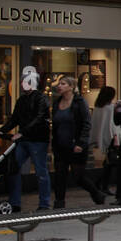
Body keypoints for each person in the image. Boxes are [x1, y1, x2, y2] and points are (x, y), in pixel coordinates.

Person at [0, 66, 52, 212]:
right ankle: (15, 202)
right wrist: (1, 131)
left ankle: (44, 204)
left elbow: (39, 118)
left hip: (37, 140)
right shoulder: (22, 100)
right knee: (14, 169)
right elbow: (14, 119)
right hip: (24, 140)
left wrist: (22, 132)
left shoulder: (41, 99)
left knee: (40, 171)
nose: (22, 84)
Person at [50, 75, 105, 208]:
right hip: (60, 145)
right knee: (60, 174)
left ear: (71, 87)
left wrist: (81, 143)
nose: (59, 86)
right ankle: (59, 202)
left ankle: (96, 193)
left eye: (63, 84)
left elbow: (87, 123)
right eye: (59, 84)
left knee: (78, 176)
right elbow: (55, 123)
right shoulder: (57, 103)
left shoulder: (79, 102)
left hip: (76, 145)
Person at [89, 86, 120, 199]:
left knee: (108, 162)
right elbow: (112, 125)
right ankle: (102, 184)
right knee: (110, 163)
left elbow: (98, 124)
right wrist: (116, 138)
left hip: (103, 137)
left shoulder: (98, 107)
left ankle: (101, 184)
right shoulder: (110, 108)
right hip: (111, 138)